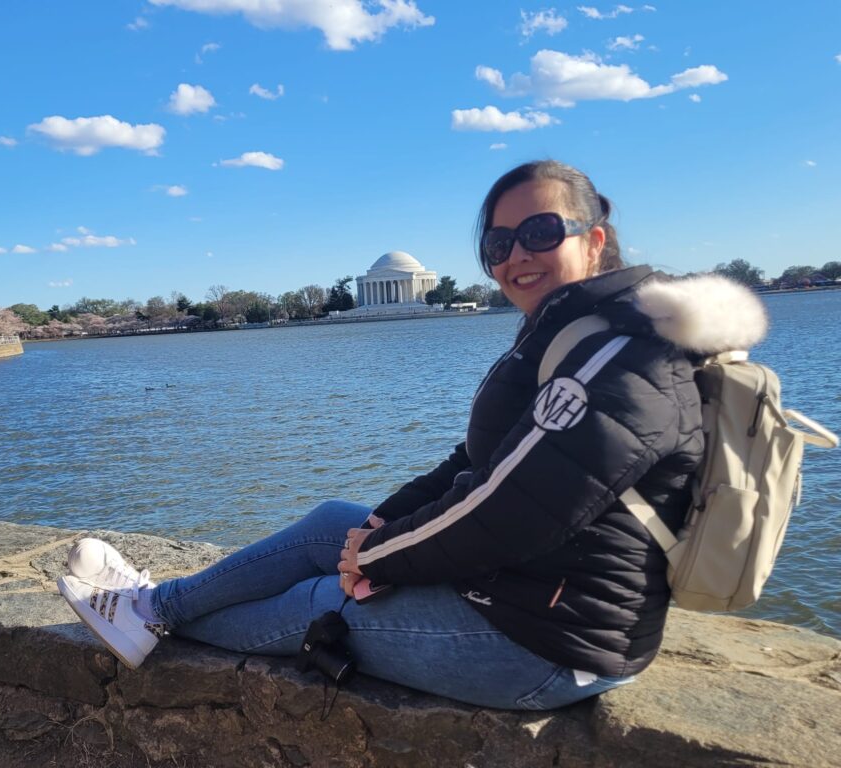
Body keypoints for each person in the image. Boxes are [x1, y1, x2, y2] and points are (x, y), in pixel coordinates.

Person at [58, 160, 766, 710]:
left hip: (550, 643)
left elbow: (513, 509)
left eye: (542, 232)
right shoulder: (572, 332)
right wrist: (380, 525)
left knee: (322, 603)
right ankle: (158, 605)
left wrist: (379, 559)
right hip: (533, 595)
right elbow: (478, 461)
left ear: (595, 239)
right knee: (336, 522)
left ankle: (150, 617)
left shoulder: (619, 353)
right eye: (498, 241)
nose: (517, 253)